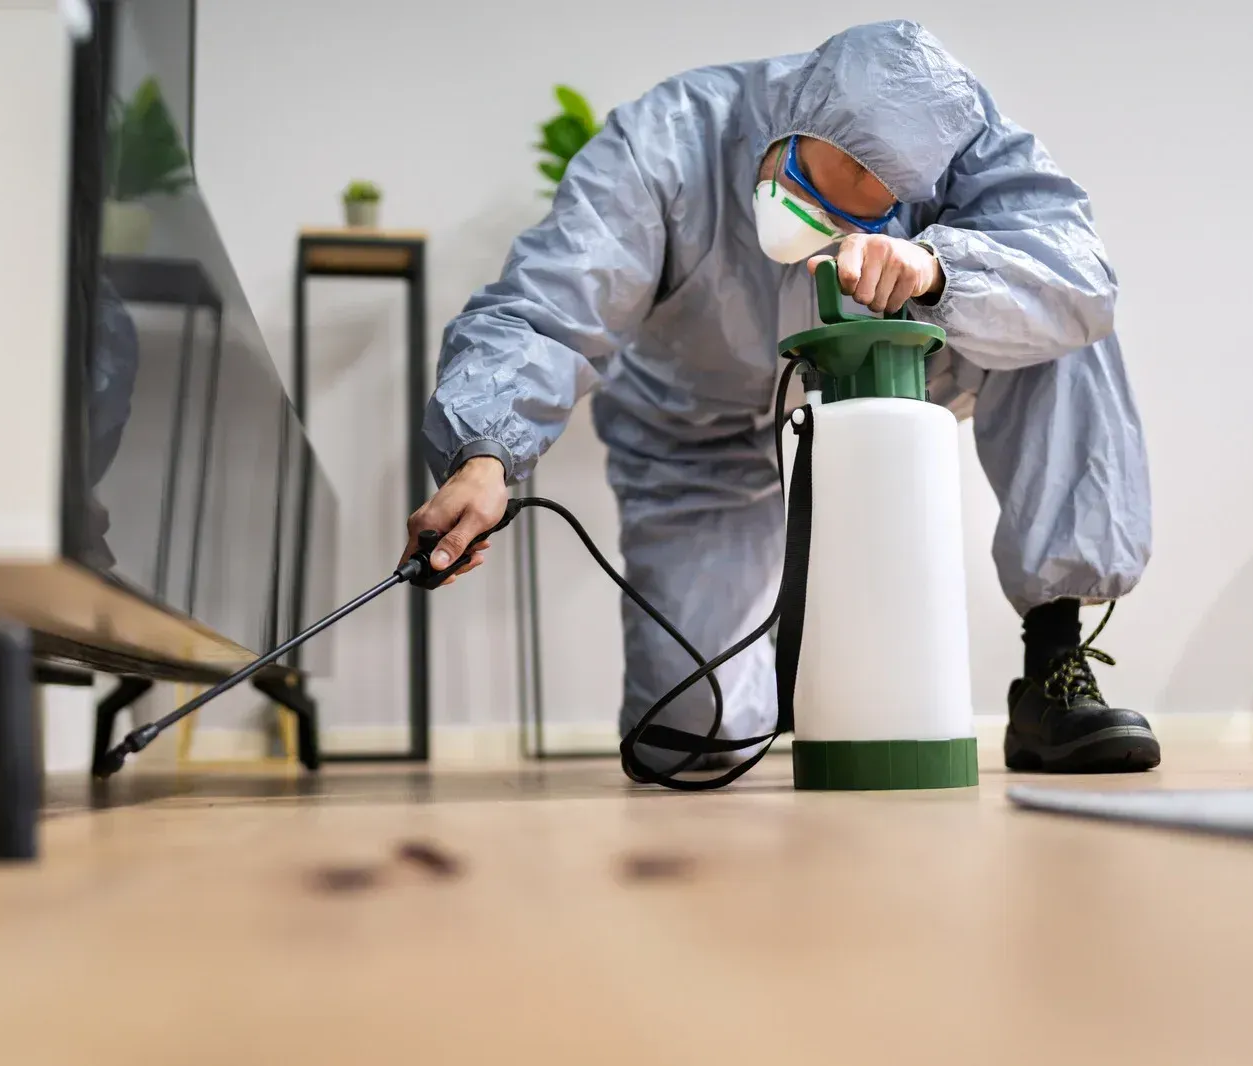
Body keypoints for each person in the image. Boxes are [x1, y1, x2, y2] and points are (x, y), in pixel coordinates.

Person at [403, 20, 1158, 775]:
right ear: (785, 119)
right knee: (694, 742)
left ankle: (1056, 663)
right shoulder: (666, 141)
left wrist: (934, 267)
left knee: (1058, 325)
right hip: (698, 438)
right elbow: (550, 305)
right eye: (805, 179)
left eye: (861, 209)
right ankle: (770, 688)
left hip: (877, 400)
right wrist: (484, 453)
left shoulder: (963, 136)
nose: (813, 221)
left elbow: (1078, 280)